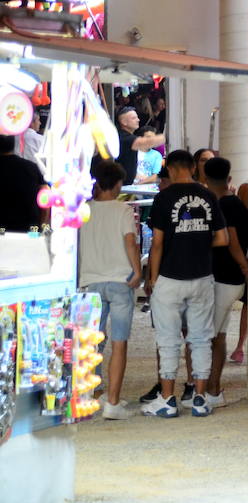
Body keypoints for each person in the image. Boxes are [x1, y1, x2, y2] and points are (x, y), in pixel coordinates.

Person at [142, 149, 227, 418]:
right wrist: (200, 244)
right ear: (193, 167)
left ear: (168, 167)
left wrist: (153, 278)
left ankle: (168, 399)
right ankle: (200, 398)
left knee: (168, 341)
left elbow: (156, 244)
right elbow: (222, 238)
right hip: (202, 276)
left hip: (170, 276)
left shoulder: (163, 197)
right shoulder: (208, 195)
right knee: (201, 339)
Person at [81, 159, 142, 420]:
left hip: (90, 282)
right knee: (119, 342)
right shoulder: (123, 211)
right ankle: (113, 404)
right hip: (120, 282)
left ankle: (86, 397)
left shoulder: (84, 210)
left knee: (91, 344)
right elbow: (130, 242)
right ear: (117, 184)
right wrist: (138, 270)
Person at [203, 157, 248, 405]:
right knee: (218, 335)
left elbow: (231, 240)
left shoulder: (223, 205)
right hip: (228, 277)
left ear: (205, 179)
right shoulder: (234, 203)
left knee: (210, 336)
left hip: (224, 277)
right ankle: (213, 388)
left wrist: (244, 266)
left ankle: (209, 389)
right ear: (229, 179)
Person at [103, 105, 165, 183]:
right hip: (120, 188)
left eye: (137, 117)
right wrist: (167, 136)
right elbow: (146, 143)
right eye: (134, 118)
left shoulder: (128, 137)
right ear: (123, 122)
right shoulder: (123, 137)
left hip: (126, 185)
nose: (138, 120)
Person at [0, 133, 48, 231]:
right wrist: (42, 223)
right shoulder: (32, 167)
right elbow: (46, 195)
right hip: (29, 230)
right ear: (14, 145)